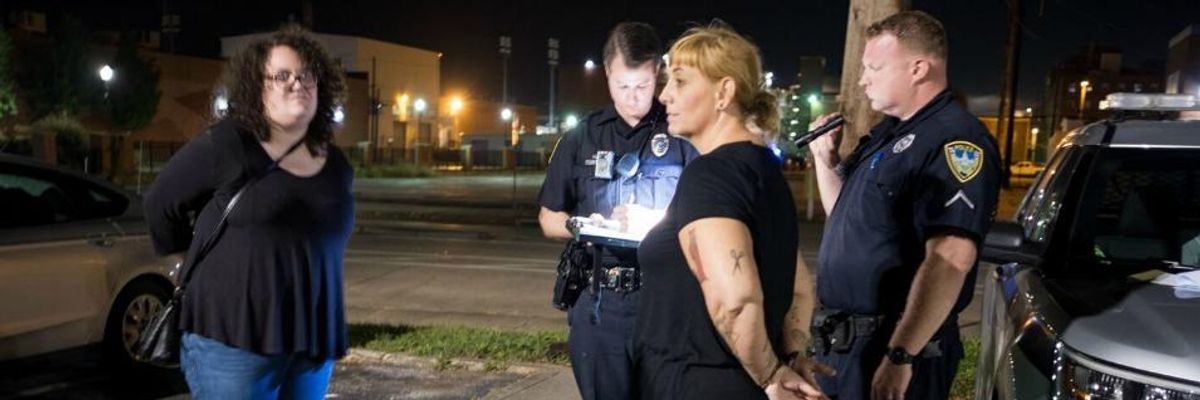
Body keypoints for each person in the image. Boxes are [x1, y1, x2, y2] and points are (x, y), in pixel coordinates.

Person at [144, 24, 353, 399]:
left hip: (313, 336)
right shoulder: (229, 143)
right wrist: (183, 259)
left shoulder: (335, 162)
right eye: (281, 75)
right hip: (234, 335)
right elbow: (160, 202)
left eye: (306, 74)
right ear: (257, 88)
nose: (297, 83)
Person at [808, 11, 1001, 400]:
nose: (863, 79)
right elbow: (847, 220)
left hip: (895, 348)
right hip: (845, 346)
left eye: (874, 68)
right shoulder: (888, 134)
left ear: (918, 68)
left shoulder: (954, 141)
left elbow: (951, 258)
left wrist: (901, 355)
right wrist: (824, 160)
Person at [635, 24, 830, 400]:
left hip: (696, 382)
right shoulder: (763, 170)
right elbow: (800, 287)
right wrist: (788, 356)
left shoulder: (710, 176)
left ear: (724, 91)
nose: (664, 96)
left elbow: (735, 301)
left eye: (679, 81)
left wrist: (771, 374)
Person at [537, 21, 697, 400]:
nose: (632, 97)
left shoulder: (682, 132)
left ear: (658, 72)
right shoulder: (583, 137)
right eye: (622, 86)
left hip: (664, 301)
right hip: (600, 305)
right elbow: (549, 217)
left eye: (642, 86)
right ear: (608, 73)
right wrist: (580, 225)